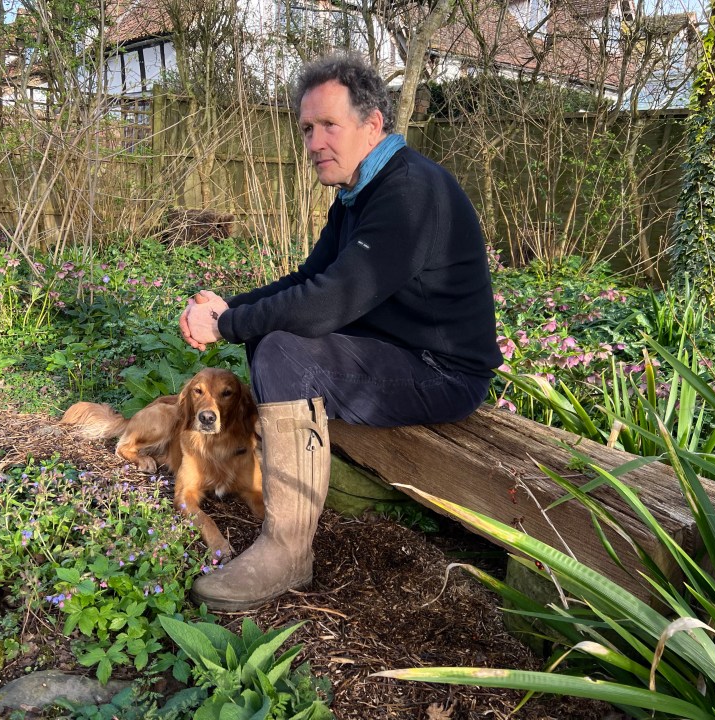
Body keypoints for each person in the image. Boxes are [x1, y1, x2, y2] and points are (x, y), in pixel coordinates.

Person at [179, 54, 502, 611]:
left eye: (329, 124)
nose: (313, 141)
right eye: (307, 128)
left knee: (281, 349)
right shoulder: (358, 194)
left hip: (441, 372)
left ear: (373, 123)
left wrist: (227, 324)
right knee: (272, 337)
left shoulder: (409, 193)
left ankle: (287, 549)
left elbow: (330, 302)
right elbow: (310, 279)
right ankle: (289, 523)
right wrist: (232, 309)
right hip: (394, 353)